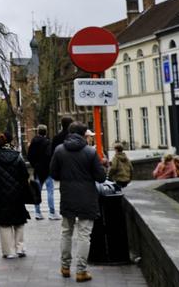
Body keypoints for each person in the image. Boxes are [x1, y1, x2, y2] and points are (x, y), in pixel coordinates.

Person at [50, 121, 106, 283]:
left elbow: (53, 173)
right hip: (87, 198)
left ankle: (65, 267)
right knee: (84, 235)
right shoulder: (90, 152)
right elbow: (100, 177)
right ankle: (81, 271)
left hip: (67, 196)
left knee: (66, 232)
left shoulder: (60, 150)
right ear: (84, 135)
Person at [0, 130, 30, 259]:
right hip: (17, 193)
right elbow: (25, 175)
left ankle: (9, 251)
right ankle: (20, 248)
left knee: (4, 223)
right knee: (19, 221)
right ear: (11, 140)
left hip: (1, 193)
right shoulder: (17, 156)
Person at [27, 124, 59, 221]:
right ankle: (52, 212)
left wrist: (35, 165)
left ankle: (37, 212)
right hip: (47, 170)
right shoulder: (47, 142)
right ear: (46, 132)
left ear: (38, 132)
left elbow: (29, 156)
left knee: (37, 191)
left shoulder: (33, 142)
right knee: (50, 191)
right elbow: (50, 156)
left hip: (37, 170)